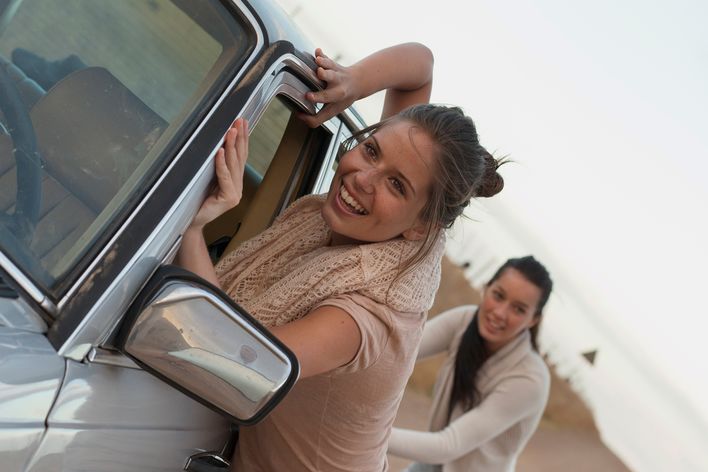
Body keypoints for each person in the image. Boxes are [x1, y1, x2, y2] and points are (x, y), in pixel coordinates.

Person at [176, 43, 505, 471]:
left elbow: (226, 363)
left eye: (397, 186)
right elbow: (420, 66)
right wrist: (352, 84)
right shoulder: (400, 223)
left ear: (421, 226)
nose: (363, 178)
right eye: (370, 149)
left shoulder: (361, 317)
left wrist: (195, 226)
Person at [387, 256, 553, 472]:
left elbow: (448, 445)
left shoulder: (531, 380)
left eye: (519, 309)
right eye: (498, 295)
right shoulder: (464, 321)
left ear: (533, 320)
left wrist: (367, 433)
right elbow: (396, 352)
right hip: (432, 465)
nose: (500, 313)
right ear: (486, 288)